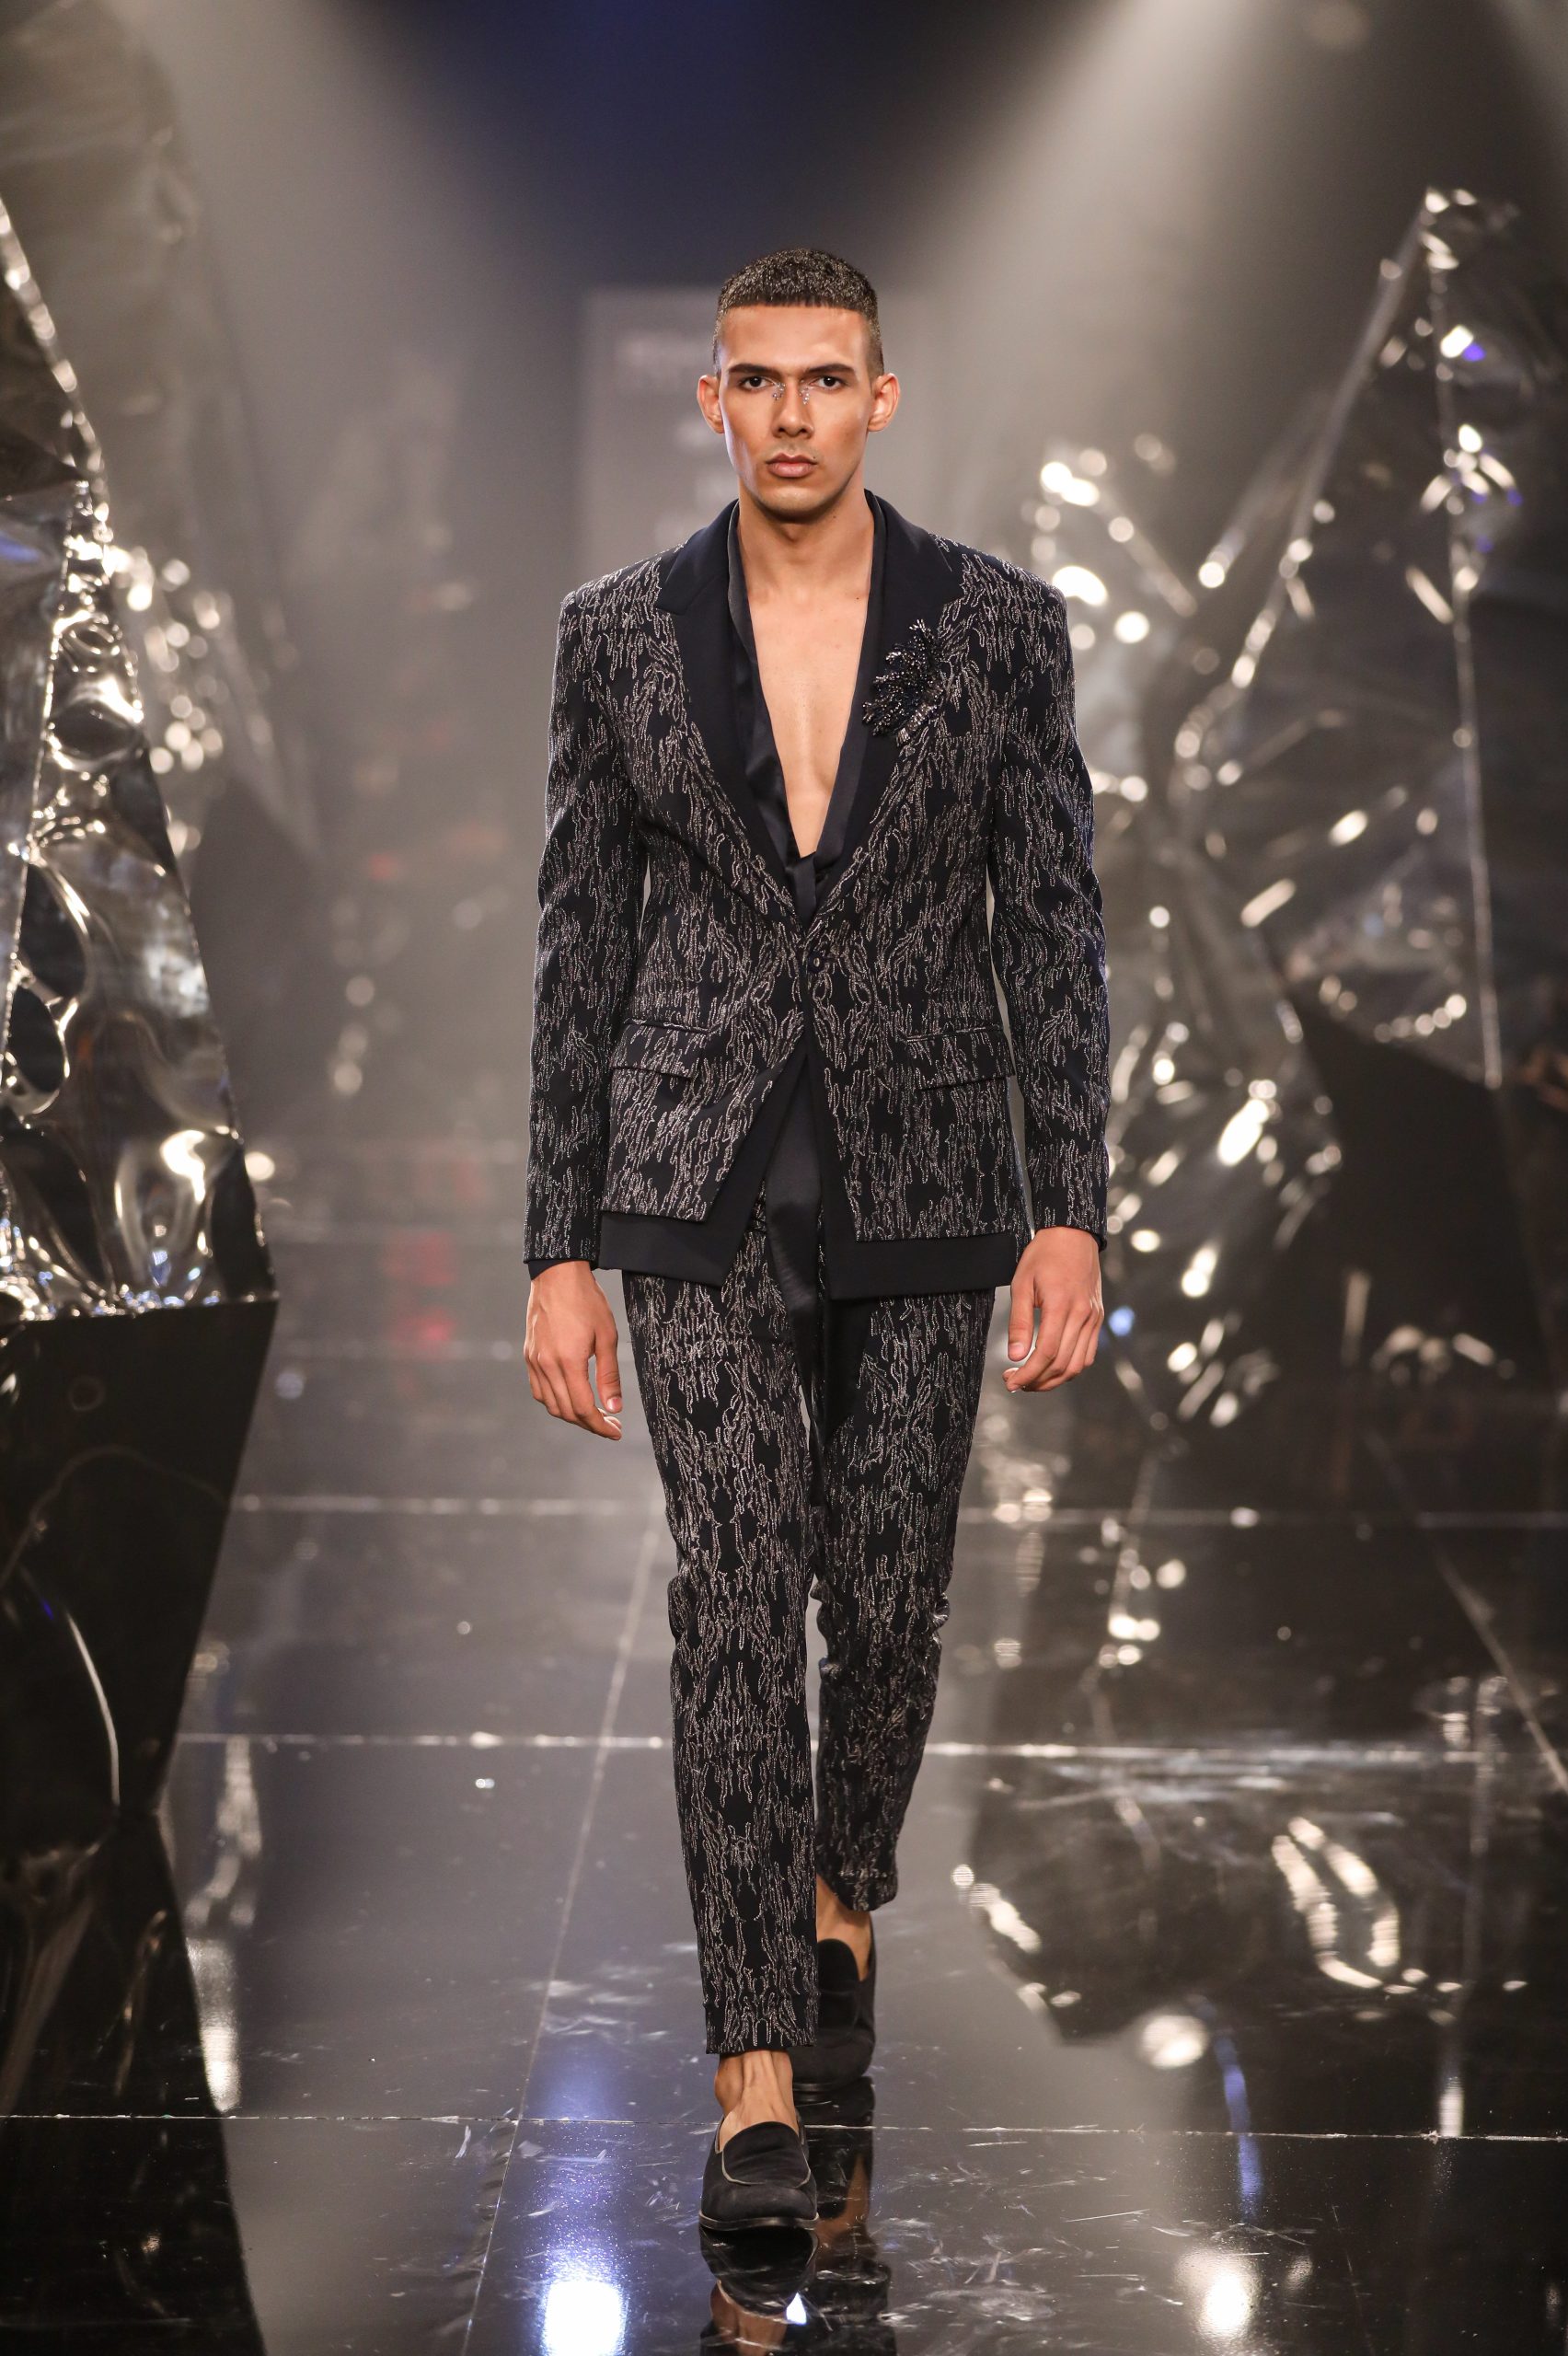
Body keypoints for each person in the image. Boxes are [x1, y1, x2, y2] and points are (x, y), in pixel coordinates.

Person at [523, 246, 1109, 2233]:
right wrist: (554, 1242)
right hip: (690, 1173)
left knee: (888, 1591)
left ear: (880, 396)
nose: (789, 413)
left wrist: (1070, 1204)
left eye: (823, 378)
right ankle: (752, 2068)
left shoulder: (998, 630)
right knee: (732, 1590)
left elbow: (1051, 922)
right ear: (710, 398)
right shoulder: (615, 636)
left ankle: (840, 1887)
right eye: (755, 379)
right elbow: (579, 944)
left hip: (926, 1164)